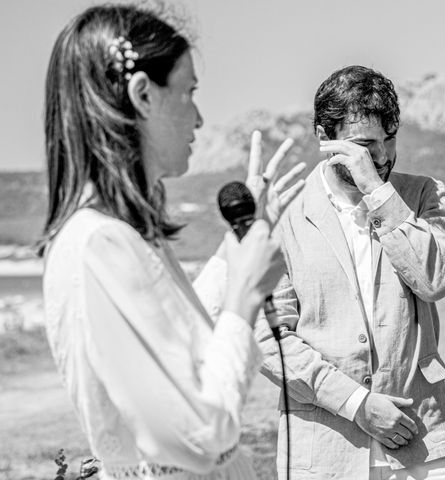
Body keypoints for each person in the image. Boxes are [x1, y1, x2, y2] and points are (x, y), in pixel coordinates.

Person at [41, 5, 304, 480]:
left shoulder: (121, 235)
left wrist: (238, 244)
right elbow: (199, 435)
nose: (200, 118)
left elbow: (175, 338)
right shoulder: (101, 245)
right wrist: (244, 297)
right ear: (143, 95)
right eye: (189, 92)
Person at [257, 65, 445, 479]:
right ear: (323, 138)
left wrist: (378, 193)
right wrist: (356, 403)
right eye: (365, 144)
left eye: (389, 140)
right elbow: (269, 339)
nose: (383, 157)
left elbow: (435, 279)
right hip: (322, 451)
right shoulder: (284, 214)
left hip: (423, 443)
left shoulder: (424, 195)